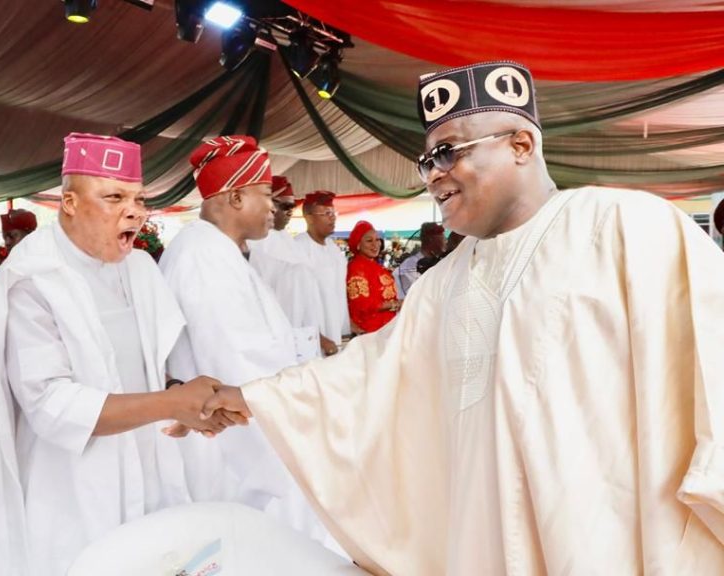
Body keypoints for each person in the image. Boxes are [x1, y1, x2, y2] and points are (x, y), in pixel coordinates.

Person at [175, 61, 724, 574]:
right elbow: (367, 375)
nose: (432, 176)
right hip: (486, 540)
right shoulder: (446, 281)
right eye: (426, 162)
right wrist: (252, 397)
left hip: (610, 538)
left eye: (448, 153)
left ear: (521, 145)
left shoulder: (625, 226)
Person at [0, 133, 235, 576]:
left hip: (147, 466)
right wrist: (169, 402)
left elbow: (147, 368)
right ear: (69, 203)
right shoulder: (30, 281)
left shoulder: (141, 269)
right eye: (114, 197)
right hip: (72, 489)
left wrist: (184, 399)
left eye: (139, 199)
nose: (134, 211)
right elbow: (52, 406)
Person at [159, 135, 329, 544]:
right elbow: (235, 362)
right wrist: (303, 410)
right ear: (235, 197)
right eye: (266, 194)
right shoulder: (203, 256)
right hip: (238, 445)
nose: (273, 207)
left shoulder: (218, 250)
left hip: (252, 436)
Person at [248, 175, 323, 361]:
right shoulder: (256, 243)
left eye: (293, 206)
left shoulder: (288, 240)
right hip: (278, 332)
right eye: (285, 206)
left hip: (304, 331)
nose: (290, 212)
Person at [295, 191, 349, 356]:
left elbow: (338, 293)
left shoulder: (334, 249)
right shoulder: (298, 248)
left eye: (333, 213)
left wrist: (345, 327)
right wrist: (319, 338)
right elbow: (296, 302)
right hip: (312, 339)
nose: (332, 218)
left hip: (335, 335)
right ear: (309, 217)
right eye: (326, 214)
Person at [345, 220, 400, 334]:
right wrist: (396, 304)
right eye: (369, 241)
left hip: (387, 328)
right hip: (369, 332)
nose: (375, 244)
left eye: (377, 239)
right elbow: (363, 304)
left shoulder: (377, 267)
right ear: (358, 244)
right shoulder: (356, 268)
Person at [396, 221, 445, 298]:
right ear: (431, 239)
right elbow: (410, 294)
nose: (444, 242)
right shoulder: (410, 265)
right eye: (442, 238)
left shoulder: (438, 261)